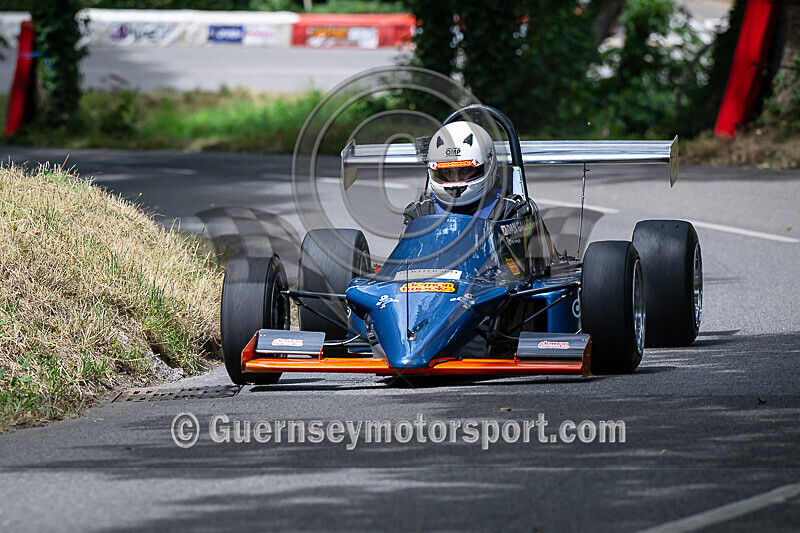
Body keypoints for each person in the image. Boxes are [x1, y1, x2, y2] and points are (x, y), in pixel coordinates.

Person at [403, 121, 530, 224]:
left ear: (487, 166)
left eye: (465, 170)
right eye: (447, 172)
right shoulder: (421, 212)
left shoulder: (510, 210)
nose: (456, 180)